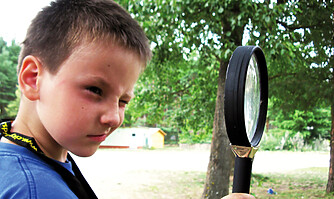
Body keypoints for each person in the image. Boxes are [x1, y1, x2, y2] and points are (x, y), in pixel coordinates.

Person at [0, 0, 254, 198]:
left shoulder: (22, 152)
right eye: (95, 90)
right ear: (33, 79)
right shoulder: (36, 191)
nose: (114, 117)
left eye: (123, 101)